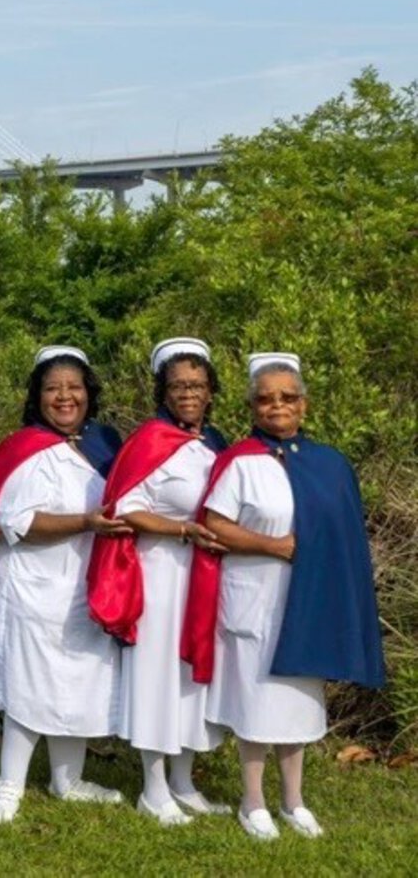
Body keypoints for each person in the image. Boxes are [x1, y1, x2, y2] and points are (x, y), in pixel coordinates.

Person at [182, 353, 385, 841]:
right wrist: (276, 546)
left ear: (304, 405)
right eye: (266, 398)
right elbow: (214, 525)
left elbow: (346, 539)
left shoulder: (330, 464)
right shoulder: (240, 463)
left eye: (288, 397)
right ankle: (253, 802)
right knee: (255, 703)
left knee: (296, 705)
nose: (277, 406)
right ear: (252, 406)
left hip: (310, 601)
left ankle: (293, 800)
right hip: (256, 598)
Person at [0, 345, 127, 824]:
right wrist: (85, 522)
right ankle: (8, 781)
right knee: (29, 681)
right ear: (37, 396)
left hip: (86, 582)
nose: (64, 397)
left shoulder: (105, 444)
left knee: (78, 681)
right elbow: (14, 521)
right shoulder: (23, 448)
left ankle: (67, 779)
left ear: (89, 393)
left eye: (73, 387)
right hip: (30, 583)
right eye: (53, 388)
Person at [90, 338, 229, 823]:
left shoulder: (216, 443)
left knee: (193, 674)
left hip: (205, 576)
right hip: (160, 572)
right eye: (177, 386)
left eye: (197, 384)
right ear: (163, 392)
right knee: (156, 673)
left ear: (211, 390)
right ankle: (153, 786)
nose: (187, 393)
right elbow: (125, 508)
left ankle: (184, 780)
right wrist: (185, 530)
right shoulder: (149, 441)